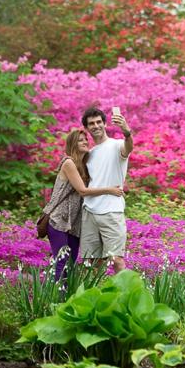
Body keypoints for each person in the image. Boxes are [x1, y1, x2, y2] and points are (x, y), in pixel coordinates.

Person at [42, 128, 124, 280]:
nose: (85, 142)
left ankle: (69, 299)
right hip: (59, 220)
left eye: (86, 139)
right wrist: (110, 190)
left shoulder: (84, 165)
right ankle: (59, 300)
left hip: (74, 223)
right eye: (80, 140)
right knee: (62, 261)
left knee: (72, 264)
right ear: (73, 144)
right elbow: (83, 191)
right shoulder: (68, 163)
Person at [79, 106, 133, 272]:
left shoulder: (117, 146)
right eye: (91, 124)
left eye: (98, 122)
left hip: (111, 211)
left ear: (104, 123)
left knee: (116, 260)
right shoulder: (90, 154)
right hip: (89, 211)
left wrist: (127, 132)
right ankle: (98, 296)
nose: (95, 126)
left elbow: (128, 148)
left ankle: (126, 296)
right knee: (90, 263)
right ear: (87, 128)